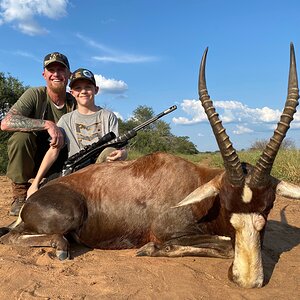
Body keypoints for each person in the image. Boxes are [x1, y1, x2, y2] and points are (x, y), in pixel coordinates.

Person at [26, 68, 127, 198]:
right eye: (78, 88)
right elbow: (53, 151)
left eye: (88, 87)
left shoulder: (108, 116)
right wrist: (35, 184)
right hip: (75, 176)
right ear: (72, 92)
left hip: (104, 176)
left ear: (96, 90)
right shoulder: (66, 120)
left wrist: (122, 154)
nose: (83, 91)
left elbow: (120, 149)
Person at [0, 52, 76, 215]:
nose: (56, 74)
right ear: (44, 74)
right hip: (35, 156)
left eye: (61, 70)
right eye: (51, 70)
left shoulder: (74, 102)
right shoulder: (35, 94)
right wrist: (47, 124)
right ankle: (20, 195)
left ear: (69, 74)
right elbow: (6, 123)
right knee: (21, 138)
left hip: (61, 160)